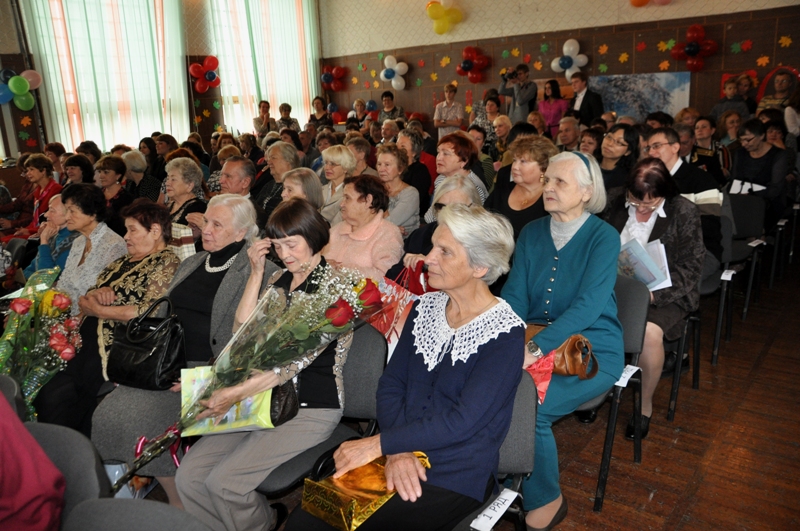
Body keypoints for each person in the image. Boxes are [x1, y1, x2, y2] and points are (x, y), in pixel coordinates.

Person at [287, 204, 524, 531]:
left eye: (445, 252)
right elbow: (392, 384)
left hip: (454, 470)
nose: (428, 258)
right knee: (308, 520)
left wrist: (379, 444)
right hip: (398, 448)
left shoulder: (505, 333)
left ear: (479, 267)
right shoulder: (425, 308)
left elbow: (463, 421)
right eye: (432, 247)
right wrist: (396, 451)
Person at [175, 198, 353, 531]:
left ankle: (263, 523)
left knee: (225, 484)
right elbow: (242, 330)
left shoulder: (337, 290)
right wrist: (257, 273)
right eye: (278, 246)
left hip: (310, 406)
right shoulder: (281, 279)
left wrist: (230, 394)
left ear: (313, 237)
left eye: (292, 244)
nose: (285, 254)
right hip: (261, 397)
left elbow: (287, 368)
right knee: (190, 477)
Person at [93, 194, 278, 508]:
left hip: (209, 371)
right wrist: (144, 363)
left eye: (217, 225)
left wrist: (201, 376)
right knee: (106, 414)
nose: (206, 230)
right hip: (167, 363)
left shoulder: (260, 271)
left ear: (241, 233)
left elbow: (251, 343)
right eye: (206, 221)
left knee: (136, 419)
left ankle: (179, 502)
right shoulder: (193, 262)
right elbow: (164, 315)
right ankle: (134, 490)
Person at [502, 151, 623, 530]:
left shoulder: (604, 237)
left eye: (560, 182)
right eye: (547, 180)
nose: (548, 188)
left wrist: (533, 349)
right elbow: (515, 296)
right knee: (485, 387)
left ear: (587, 192)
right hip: (533, 336)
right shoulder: (532, 231)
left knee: (530, 409)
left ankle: (547, 499)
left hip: (590, 349)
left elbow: (589, 307)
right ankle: (503, 473)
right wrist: (506, 341)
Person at [34, 199, 180, 436]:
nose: (126, 236)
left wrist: (100, 310)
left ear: (155, 231)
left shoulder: (166, 261)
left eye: (132, 230)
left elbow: (151, 311)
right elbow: (84, 300)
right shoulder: (120, 263)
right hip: (84, 337)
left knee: (60, 395)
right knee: (48, 388)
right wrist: (96, 294)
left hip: (119, 345)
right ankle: (59, 446)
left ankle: (68, 448)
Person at [603, 158, 705, 440]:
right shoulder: (614, 200)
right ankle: (595, 390)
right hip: (616, 285)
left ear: (665, 193)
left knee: (648, 333)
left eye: (650, 203)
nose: (641, 209)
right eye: (636, 201)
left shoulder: (683, 211)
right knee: (588, 317)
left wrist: (654, 294)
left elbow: (691, 267)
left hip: (666, 292)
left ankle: (644, 405)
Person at [387, 175, 482, 279]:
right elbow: (393, 276)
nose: (447, 213)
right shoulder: (420, 235)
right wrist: (411, 265)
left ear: (474, 208)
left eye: (456, 208)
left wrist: (427, 265)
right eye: (441, 207)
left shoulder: (482, 242)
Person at [55, 184, 127, 312]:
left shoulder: (114, 245)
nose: (67, 217)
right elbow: (64, 284)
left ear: (93, 213)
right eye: (66, 211)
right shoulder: (78, 242)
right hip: (65, 314)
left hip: (91, 317)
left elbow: (109, 297)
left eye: (72, 211)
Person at [324, 175, 404, 279]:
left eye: (347, 198)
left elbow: (385, 276)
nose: (341, 204)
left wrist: (340, 270)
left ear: (368, 200)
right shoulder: (336, 230)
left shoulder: (388, 233)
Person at [485, 135, 557, 240]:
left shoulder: (552, 198)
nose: (514, 167)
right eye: (514, 160)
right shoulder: (503, 188)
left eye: (523, 161)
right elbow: (482, 220)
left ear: (544, 167)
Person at [731, 119, 789, 228]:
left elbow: (775, 189)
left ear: (761, 136)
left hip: (768, 202)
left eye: (748, 140)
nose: (744, 144)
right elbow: (736, 180)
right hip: (742, 199)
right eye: (741, 140)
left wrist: (750, 193)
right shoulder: (740, 153)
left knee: (752, 210)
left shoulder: (778, 155)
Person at [423, 132, 488, 223]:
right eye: (438, 152)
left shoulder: (474, 187)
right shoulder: (441, 179)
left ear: (464, 161)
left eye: (446, 154)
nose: (439, 158)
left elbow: (472, 223)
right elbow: (430, 217)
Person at [2, 154, 62, 243]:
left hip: (45, 233)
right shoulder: (38, 191)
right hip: (33, 229)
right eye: (27, 170)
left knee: (6, 242)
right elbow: (35, 219)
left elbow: (49, 221)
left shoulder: (56, 190)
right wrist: (25, 229)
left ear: (43, 171)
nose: (28, 173)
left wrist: (28, 231)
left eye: (31, 169)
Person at [23, 194, 77, 279]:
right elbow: (27, 271)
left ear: (68, 213)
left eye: (52, 210)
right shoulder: (54, 235)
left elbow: (46, 278)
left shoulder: (74, 242)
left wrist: (44, 241)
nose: (46, 215)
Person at [376, 143, 419, 237]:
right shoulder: (374, 188)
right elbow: (360, 218)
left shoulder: (411, 194)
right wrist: (391, 228)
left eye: (387, 165)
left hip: (403, 242)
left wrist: (389, 227)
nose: (381, 169)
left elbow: (391, 222)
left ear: (400, 169)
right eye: (379, 164)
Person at [164, 158, 207, 240]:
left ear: (189, 185)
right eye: (168, 178)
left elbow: (187, 240)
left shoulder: (198, 208)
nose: (167, 183)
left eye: (173, 179)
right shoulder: (169, 205)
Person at [95, 155, 134, 237]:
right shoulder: (96, 194)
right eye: (100, 172)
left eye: (106, 172)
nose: (101, 176)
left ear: (118, 175)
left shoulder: (127, 199)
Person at [319, 145, 356, 225]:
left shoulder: (352, 194)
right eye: (326, 163)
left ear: (345, 168)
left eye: (332, 164)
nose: (327, 168)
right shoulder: (320, 189)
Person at [395, 129, 432, 209]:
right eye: (397, 145)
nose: (397, 149)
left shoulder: (420, 171)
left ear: (414, 152)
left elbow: (414, 201)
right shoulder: (393, 168)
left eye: (403, 146)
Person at [600, 123, 639, 190]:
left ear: (628, 152)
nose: (610, 144)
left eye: (619, 142)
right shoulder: (587, 163)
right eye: (609, 137)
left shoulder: (626, 180)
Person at [694, 116, 732, 185]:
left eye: (704, 127)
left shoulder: (720, 148)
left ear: (712, 131)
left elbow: (725, 172)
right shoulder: (690, 149)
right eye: (697, 128)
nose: (699, 130)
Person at [467, 124, 497, 193]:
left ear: (483, 143)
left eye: (478, 139)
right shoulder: (459, 157)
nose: (474, 141)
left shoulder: (486, 159)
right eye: (471, 137)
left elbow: (486, 186)